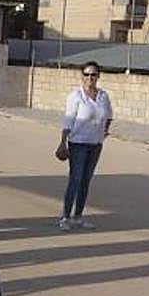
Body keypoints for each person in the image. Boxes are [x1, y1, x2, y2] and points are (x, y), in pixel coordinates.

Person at [55, 61, 112, 231]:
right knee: (75, 179)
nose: (90, 78)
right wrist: (62, 142)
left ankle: (78, 217)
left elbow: (108, 115)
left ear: (98, 76)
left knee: (86, 181)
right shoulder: (76, 96)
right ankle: (65, 217)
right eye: (86, 74)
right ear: (82, 76)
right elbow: (68, 120)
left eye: (93, 75)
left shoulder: (103, 96)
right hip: (78, 143)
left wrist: (104, 132)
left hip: (95, 144)